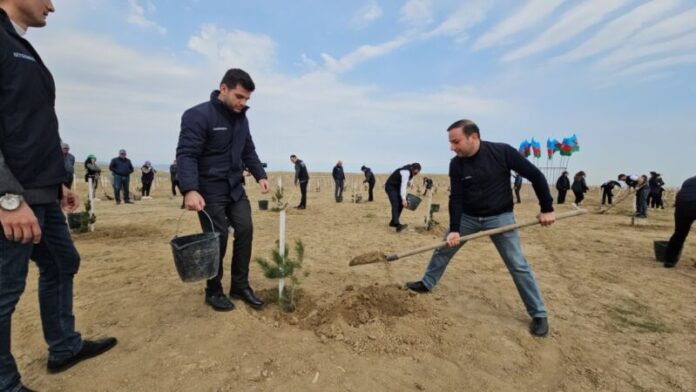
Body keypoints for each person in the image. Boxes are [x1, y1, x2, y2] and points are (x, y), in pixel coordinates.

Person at [0, 2, 117, 390]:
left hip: (42, 193)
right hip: (13, 200)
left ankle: (64, 346)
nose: (52, 5)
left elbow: (31, 124)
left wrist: (58, 182)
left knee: (63, 261)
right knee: (4, 293)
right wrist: (8, 198)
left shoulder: (21, 44)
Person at [405, 119, 555, 337]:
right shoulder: (456, 164)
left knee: (517, 264)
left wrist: (547, 208)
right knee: (443, 248)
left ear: (473, 137)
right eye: (450, 143)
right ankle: (427, 283)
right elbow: (456, 197)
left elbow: (536, 176)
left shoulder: (502, 152)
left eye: (456, 142)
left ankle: (539, 314)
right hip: (468, 217)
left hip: (500, 217)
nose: (452, 147)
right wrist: (455, 229)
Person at [177, 68, 270, 312]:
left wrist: (260, 175)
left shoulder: (242, 119)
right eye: (239, 97)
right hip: (209, 191)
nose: (243, 103)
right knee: (217, 239)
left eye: (247, 99)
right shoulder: (197, 115)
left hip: (235, 189)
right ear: (224, 88)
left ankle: (239, 285)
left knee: (245, 230)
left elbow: (248, 150)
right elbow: (187, 154)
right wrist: (190, 189)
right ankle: (214, 290)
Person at [664, 176, 696, 268]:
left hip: (682, 206)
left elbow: (680, 194)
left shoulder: (689, 180)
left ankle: (669, 261)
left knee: (679, 234)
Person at [385, 162, 421, 232]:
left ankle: (393, 222)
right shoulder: (405, 172)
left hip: (397, 187)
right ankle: (397, 224)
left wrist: (411, 182)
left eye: (417, 173)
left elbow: (411, 176)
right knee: (395, 204)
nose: (415, 174)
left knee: (401, 204)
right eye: (415, 172)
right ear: (412, 168)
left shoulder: (411, 171)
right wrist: (404, 199)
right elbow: (403, 186)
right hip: (390, 186)